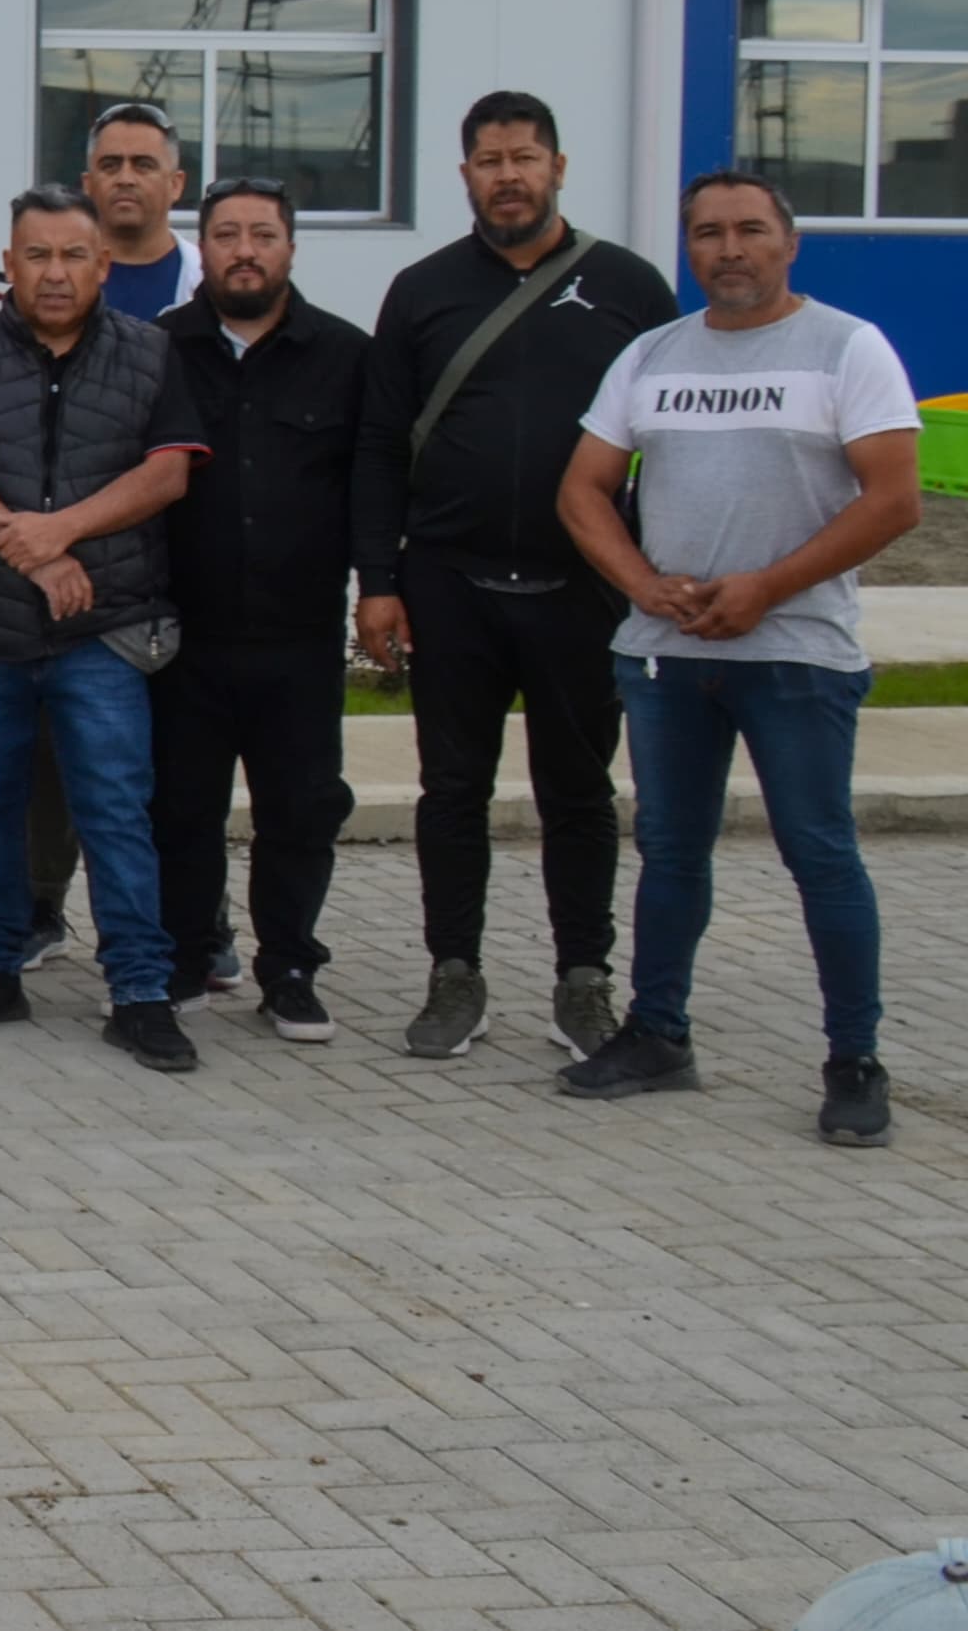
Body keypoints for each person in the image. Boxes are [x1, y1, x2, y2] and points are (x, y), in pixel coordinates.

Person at [554, 171, 919, 1147]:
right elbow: (582, 490)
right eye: (706, 234)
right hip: (666, 654)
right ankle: (657, 1034)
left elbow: (891, 500)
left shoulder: (847, 347)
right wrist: (637, 582)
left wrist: (766, 584)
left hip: (795, 653)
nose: (727, 250)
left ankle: (852, 1059)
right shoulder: (650, 355)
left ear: (786, 242)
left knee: (819, 854)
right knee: (669, 852)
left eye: (748, 230)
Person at [353, 90, 680, 1063]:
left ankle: (583, 979)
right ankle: (453, 976)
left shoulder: (628, 287)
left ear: (556, 168)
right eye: (488, 160)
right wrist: (377, 580)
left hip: (580, 588)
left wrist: (649, 575)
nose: (506, 176)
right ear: (463, 176)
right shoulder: (420, 290)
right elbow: (377, 446)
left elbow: (667, 448)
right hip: (447, 584)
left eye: (523, 158)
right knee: (450, 790)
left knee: (576, 793)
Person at [0, 184, 208, 1071]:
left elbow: (168, 475)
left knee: (115, 810)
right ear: (9, 265)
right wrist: (33, 554)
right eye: (35, 255)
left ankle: (141, 990)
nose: (54, 272)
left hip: (105, 630)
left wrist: (61, 532)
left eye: (73, 255)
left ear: (103, 266)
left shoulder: (152, 354)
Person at [153, 178, 367, 1042]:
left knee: (301, 809)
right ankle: (183, 955)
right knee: (179, 809)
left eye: (263, 235)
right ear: (200, 249)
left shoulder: (348, 356)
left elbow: (374, 484)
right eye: (227, 234)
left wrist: (383, 589)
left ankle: (288, 968)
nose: (245, 250)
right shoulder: (156, 349)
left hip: (301, 635)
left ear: (290, 248)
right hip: (182, 634)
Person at [83, 101, 204, 321]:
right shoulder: (59, 279)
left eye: (144, 165)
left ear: (176, 185)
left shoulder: (208, 279)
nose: (125, 179)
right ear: (87, 184)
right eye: (110, 165)